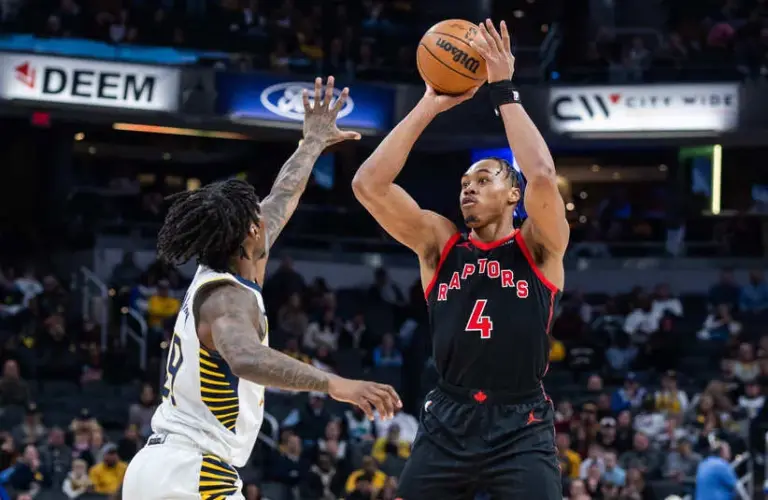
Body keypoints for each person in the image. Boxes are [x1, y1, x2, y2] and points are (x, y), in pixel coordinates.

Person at [122, 77, 401, 500]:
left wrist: (312, 142)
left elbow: (283, 193)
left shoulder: (234, 259)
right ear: (250, 233)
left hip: (167, 467)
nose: (265, 215)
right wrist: (336, 385)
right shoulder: (226, 299)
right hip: (192, 472)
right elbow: (246, 357)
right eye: (257, 216)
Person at [352, 20, 566, 499]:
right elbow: (368, 186)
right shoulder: (440, 243)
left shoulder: (537, 246)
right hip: (447, 417)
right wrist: (429, 102)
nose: (469, 186)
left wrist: (503, 89)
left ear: (515, 195)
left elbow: (544, 175)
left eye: (485, 178)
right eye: (465, 181)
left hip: (521, 423)